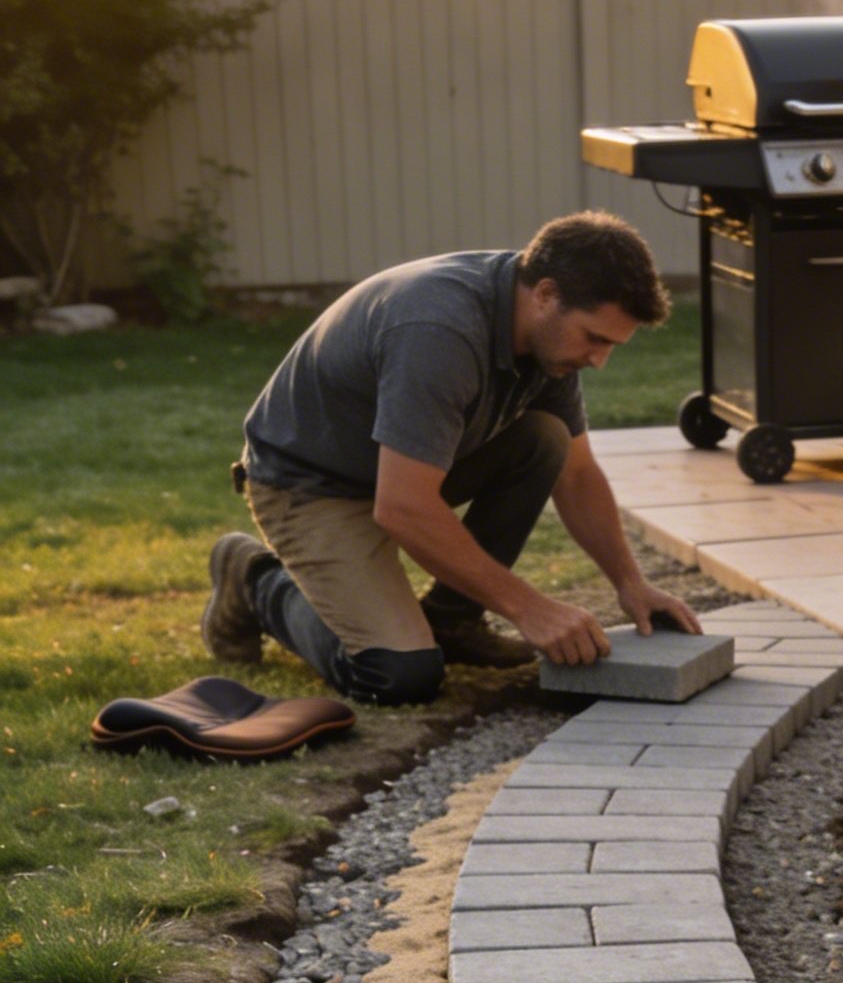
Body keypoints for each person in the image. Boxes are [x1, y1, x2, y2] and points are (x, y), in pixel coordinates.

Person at [202, 210, 701, 704]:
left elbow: (576, 473)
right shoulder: (439, 328)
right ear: (546, 294)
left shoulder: (545, 336)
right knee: (398, 675)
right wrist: (529, 609)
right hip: (311, 485)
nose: (599, 359)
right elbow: (402, 508)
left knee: (545, 438)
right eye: (594, 338)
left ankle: (453, 620)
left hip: (392, 470)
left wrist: (631, 584)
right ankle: (254, 580)